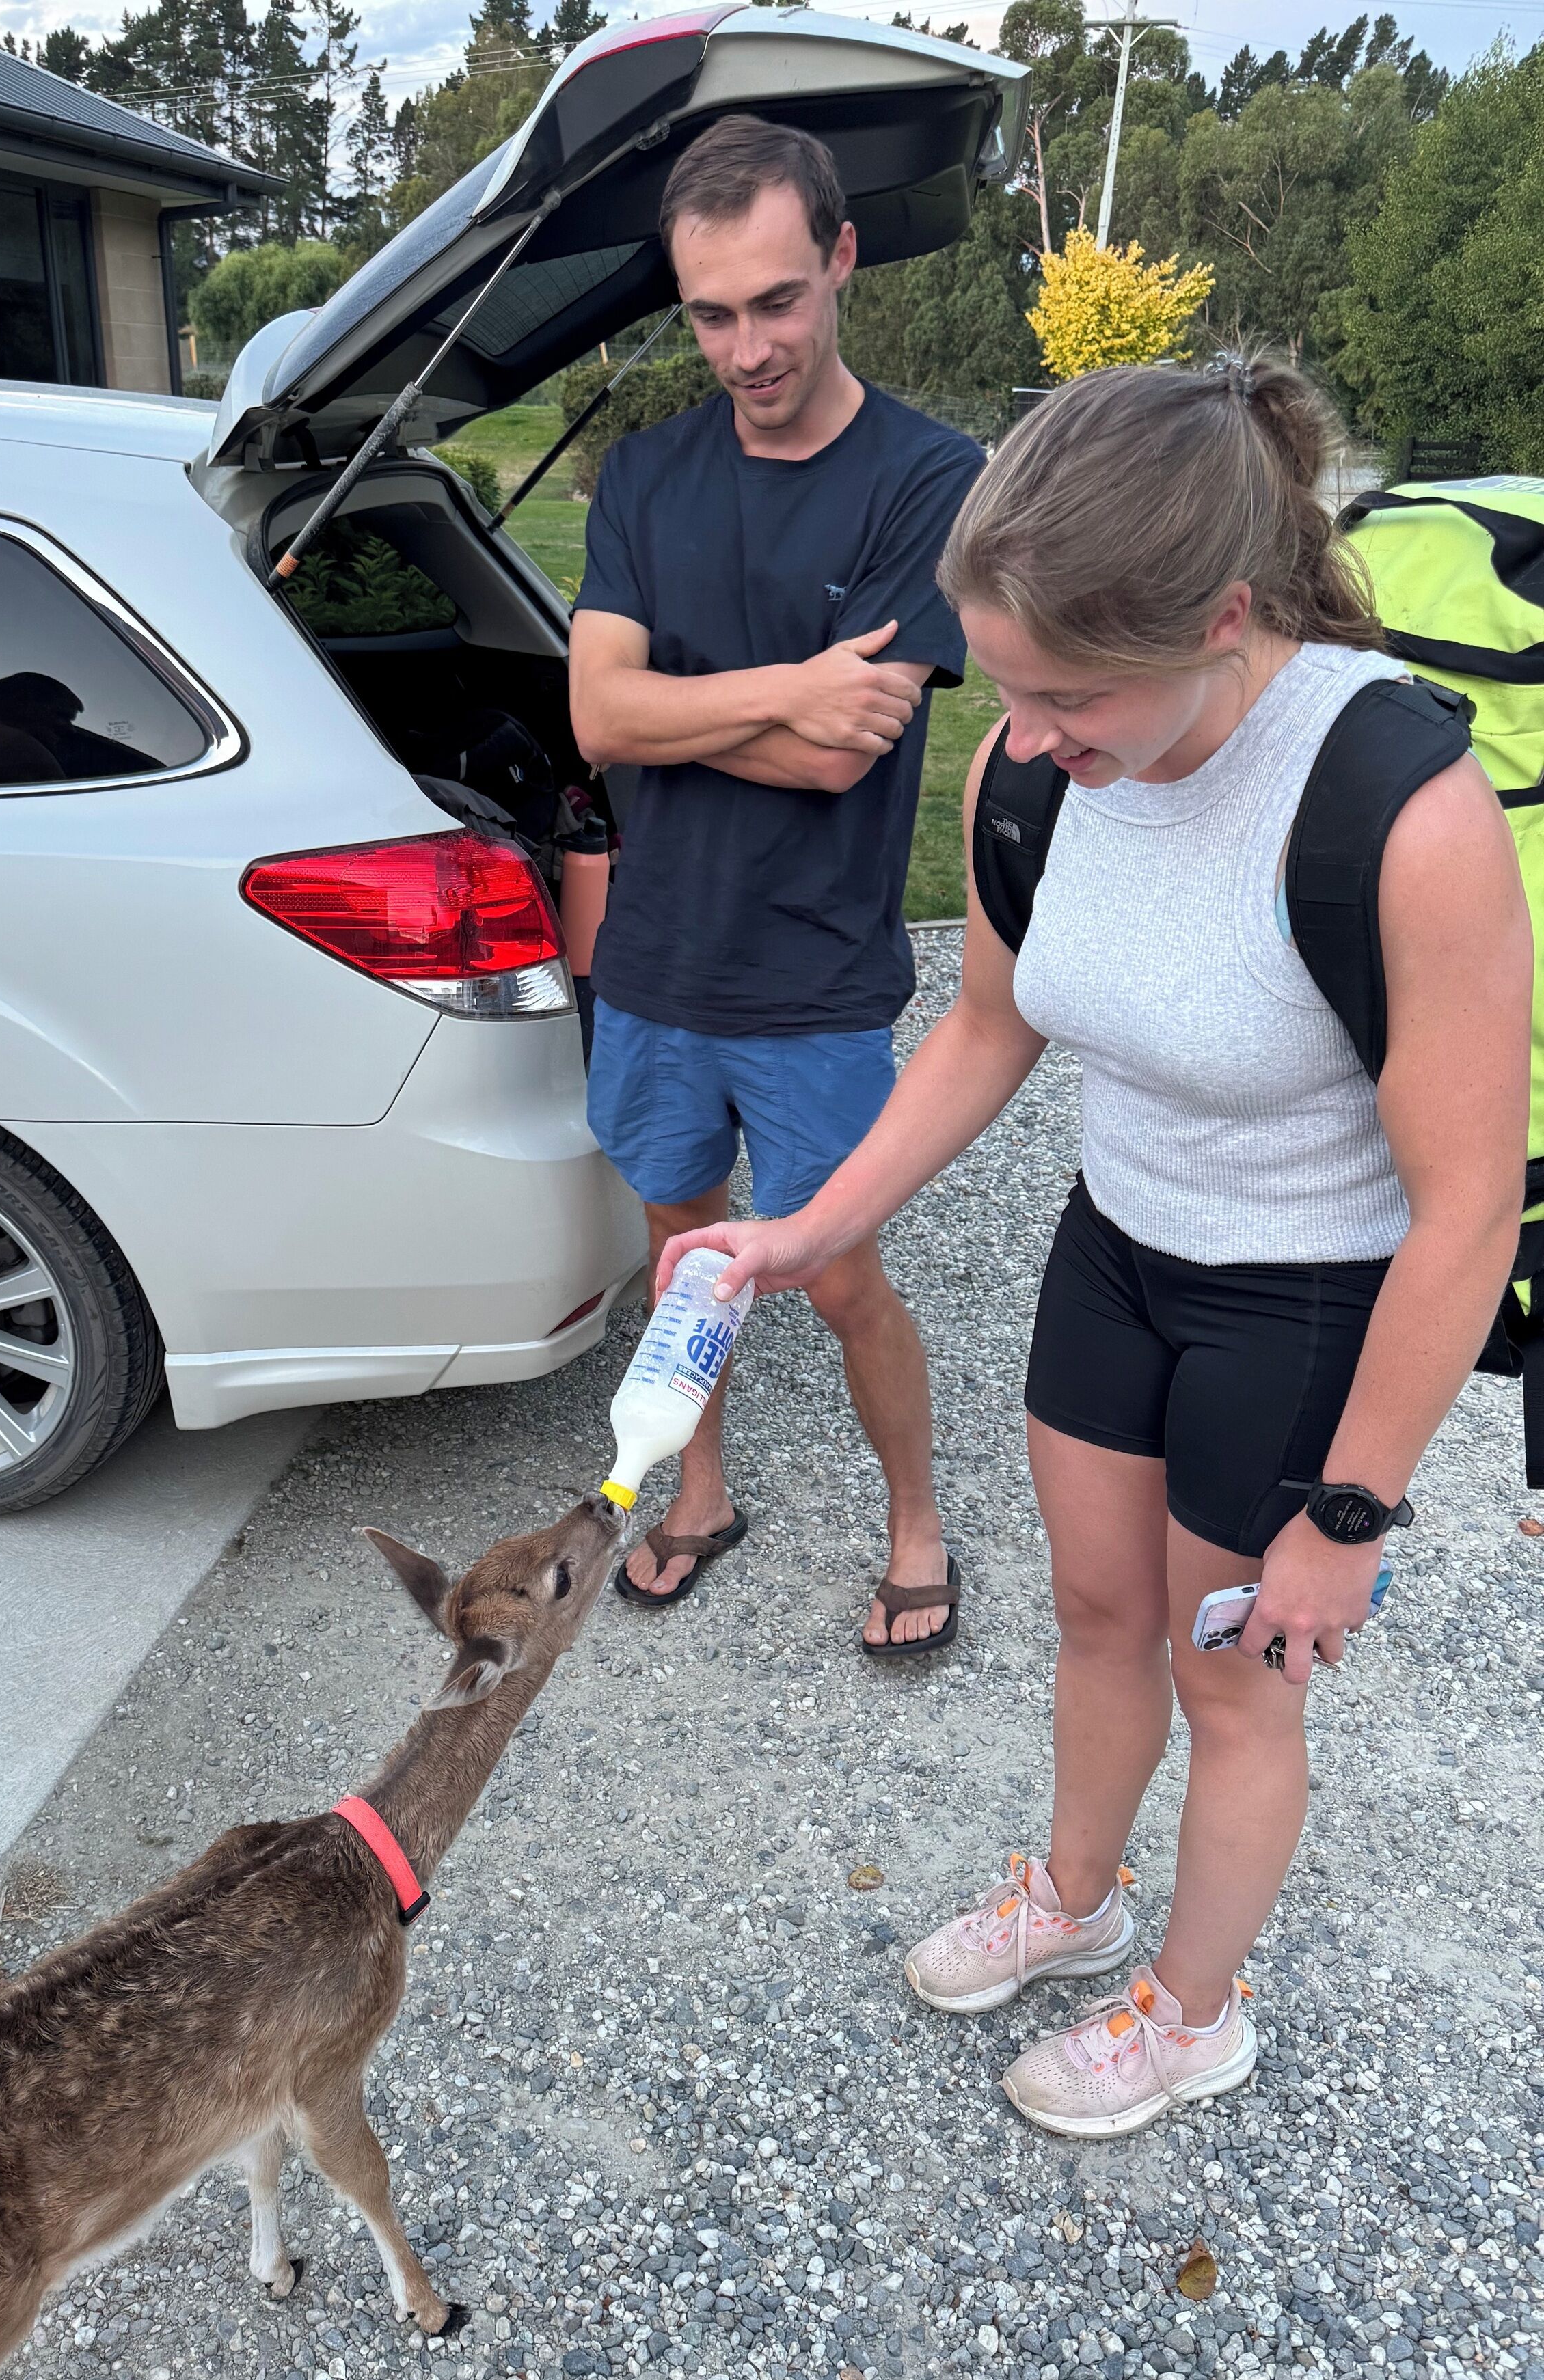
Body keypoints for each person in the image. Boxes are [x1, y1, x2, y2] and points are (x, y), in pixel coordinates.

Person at [660, 357, 1530, 2137]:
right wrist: (808, 1228)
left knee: (1237, 1678)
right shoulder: (1039, 769)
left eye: (1067, 696)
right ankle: (1075, 1897)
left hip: (1300, 1302)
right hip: (1115, 1244)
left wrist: (1348, 1518)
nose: (1030, 736)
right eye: (1007, 685)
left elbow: (1469, 1204)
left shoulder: (1396, 809)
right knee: (1096, 1610)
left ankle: (1191, 2014)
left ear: (1219, 619)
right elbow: (991, 1027)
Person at [569, 115, 984, 1652]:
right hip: (660, 967)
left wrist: (670, 712)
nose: (748, 347)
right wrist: (776, 690)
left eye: (779, 300)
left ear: (843, 260)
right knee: (691, 1266)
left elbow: (841, 759)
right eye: (714, 313)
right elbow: (597, 721)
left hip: (812, 976)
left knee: (838, 1277)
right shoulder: (647, 473)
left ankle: (918, 1519)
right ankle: (699, 1490)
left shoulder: (930, 477)